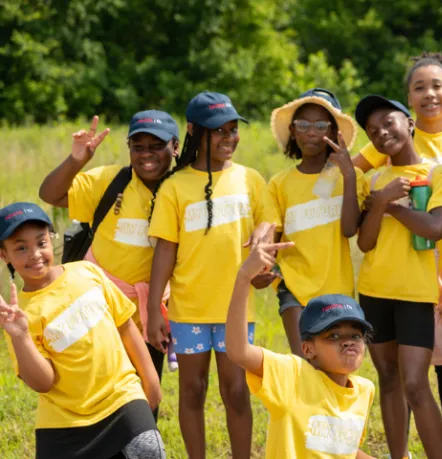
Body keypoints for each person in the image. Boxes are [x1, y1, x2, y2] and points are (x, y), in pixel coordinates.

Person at [354, 51, 442, 459]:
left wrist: (392, 206)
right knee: (388, 378)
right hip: (374, 291)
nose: (382, 132)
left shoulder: (439, 174)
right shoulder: (372, 181)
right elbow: (365, 243)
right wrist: (380, 199)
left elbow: (437, 229)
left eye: (389, 122)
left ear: (411, 124)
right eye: (373, 130)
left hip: (418, 294)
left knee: (417, 383)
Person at [146, 92, 268, 458]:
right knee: (193, 389)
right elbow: (166, 250)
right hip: (189, 310)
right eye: (219, 131)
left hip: (236, 308)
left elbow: (267, 232)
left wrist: (268, 264)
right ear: (195, 132)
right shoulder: (174, 187)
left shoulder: (252, 180)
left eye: (233, 130)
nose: (229, 138)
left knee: (235, 389)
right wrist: (154, 308)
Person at [38, 111, 180, 418]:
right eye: (137, 146)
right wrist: (77, 160)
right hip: (98, 310)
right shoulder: (110, 181)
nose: (146, 154)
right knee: (98, 387)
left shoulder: (182, 189)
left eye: (156, 146)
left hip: (152, 311)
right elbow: (50, 193)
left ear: (175, 147)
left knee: (145, 390)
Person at [0, 202, 164, 459]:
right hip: (65, 423)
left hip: (122, 399)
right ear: (4, 255)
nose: (34, 254)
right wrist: (20, 336)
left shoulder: (86, 272)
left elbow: (125, 325)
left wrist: (151, 381)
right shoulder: (20, 315)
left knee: (148, 451)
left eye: (41, 243)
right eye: (21, 248)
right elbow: (44, 382)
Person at [225, 226, 376, 458]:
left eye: (355, 335)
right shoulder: (292, 376)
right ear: (308, 349)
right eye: (333, 336)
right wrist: (244, 277)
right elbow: (238, 351)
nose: (348, 343)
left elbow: (341, 447)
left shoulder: (364, 391)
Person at [266, 88, 367, 356]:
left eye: (321, 125)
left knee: (334, 366)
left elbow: (349, 229)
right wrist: (268, 273)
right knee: (305, 361)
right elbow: (271, 240)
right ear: (293, 130)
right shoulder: (279, 183)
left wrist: (348, 175)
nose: (312, 131)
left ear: (335, 132)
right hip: (294, 289)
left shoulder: (351, 177)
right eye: (304, 124)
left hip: (338, 291)